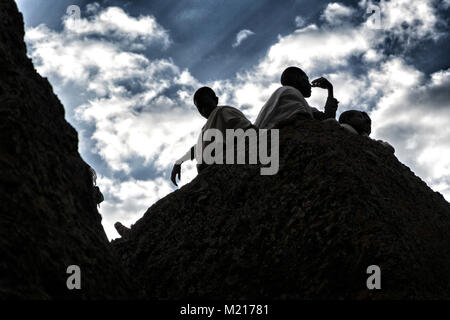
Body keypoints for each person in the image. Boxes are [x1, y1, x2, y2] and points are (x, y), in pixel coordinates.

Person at [170, 87, 253, 186]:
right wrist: (179, 161)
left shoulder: (223, 111)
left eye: (206, 104)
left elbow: (246, 129)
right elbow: (198, 148)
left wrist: (224, 147)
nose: (203, 109)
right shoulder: (207, 126)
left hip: (225, 165)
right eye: (200, 107)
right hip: (210, 172)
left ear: (216, 100)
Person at [254, 66, 339, 129]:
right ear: (297, 79)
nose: (310, 85)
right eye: (306, 80)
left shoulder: (306, 107)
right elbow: (302, 124)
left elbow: (328, 121)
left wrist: (330, 89)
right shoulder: (288, 91)